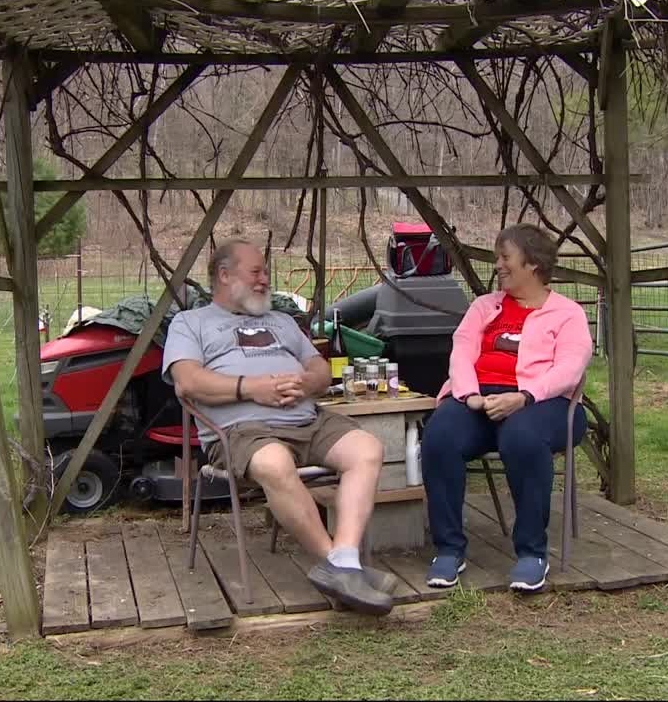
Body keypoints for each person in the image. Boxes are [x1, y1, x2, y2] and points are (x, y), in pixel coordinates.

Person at [163, 239, 395, 616]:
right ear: (224, 275)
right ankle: (338, 566)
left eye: (265, 273)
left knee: (367, 449)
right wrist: (254, 388)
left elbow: (319, 367)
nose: (264, 280)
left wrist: (306, 383)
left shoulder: (282, 322)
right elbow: (188, 382)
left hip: (307, 419)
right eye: (256, 272)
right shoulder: (191, 323)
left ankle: (346, 561)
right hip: (240, 430)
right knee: (274, 463)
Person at [421, 224, 592, 593]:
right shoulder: (484, 307)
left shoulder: (567, 314)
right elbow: (462, 352)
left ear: (532, 264)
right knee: (440, 435)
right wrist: (469, 396)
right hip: (479, 398)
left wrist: (525, 396)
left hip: (547, 402)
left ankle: (532, 553)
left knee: (521, 436)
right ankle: (449, 549)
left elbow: (569, 369)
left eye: (505, 257)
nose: (497, 265)